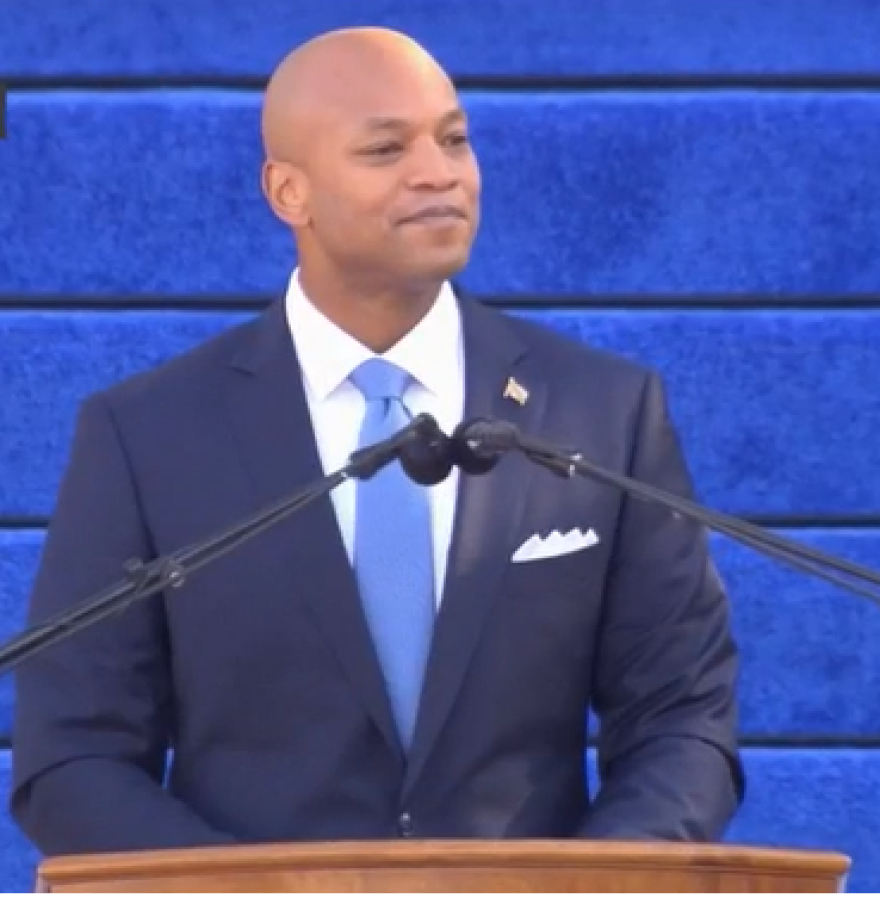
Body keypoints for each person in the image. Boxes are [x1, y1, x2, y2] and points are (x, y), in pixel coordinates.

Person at [10, 27, 743, 854]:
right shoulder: (145, 435)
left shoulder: (602, 413)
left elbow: (683, 719)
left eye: (455, 139)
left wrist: (591, 886)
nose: (439, 172)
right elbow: (74, 756)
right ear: (290, 193)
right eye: (386, 148)